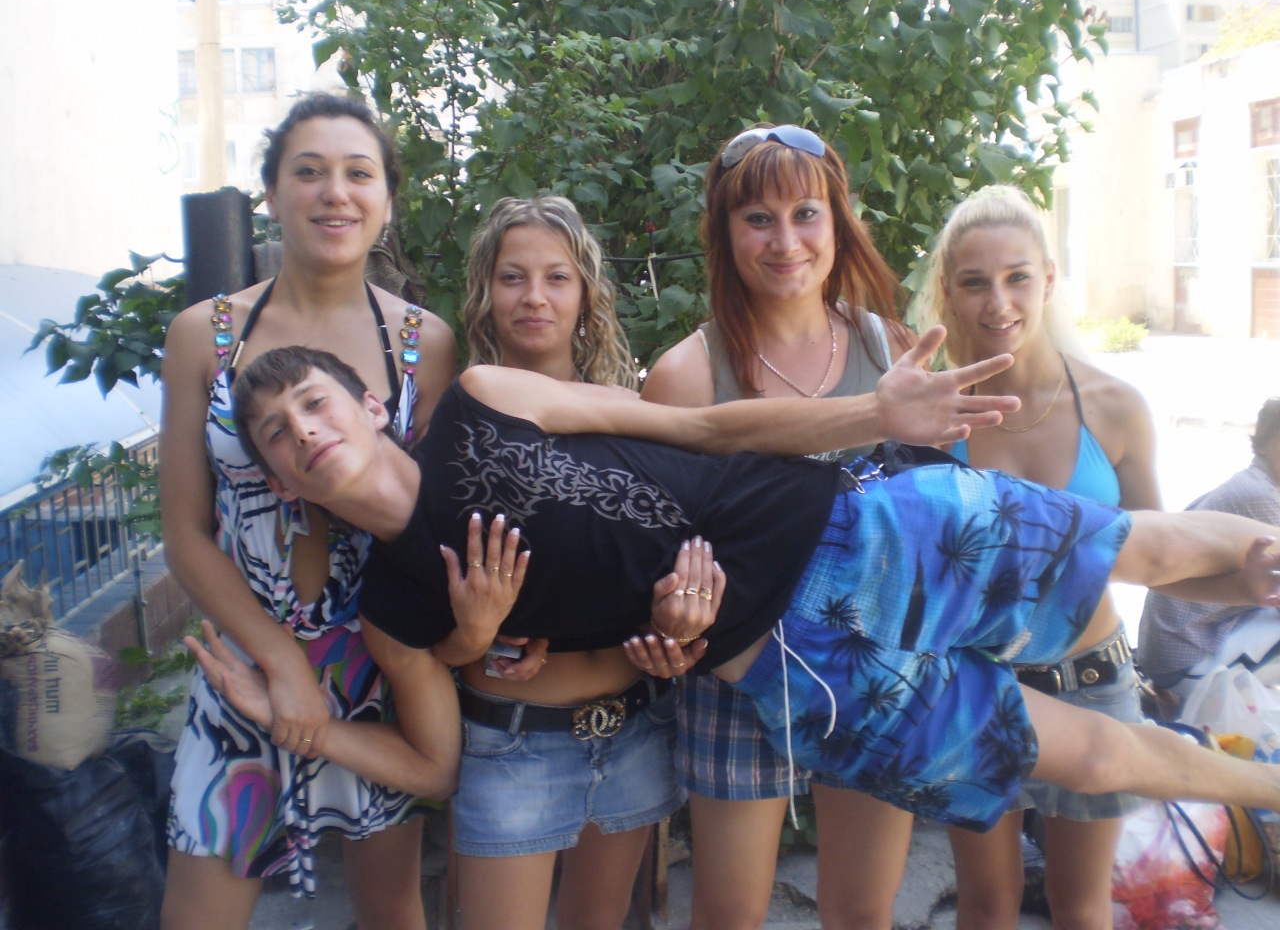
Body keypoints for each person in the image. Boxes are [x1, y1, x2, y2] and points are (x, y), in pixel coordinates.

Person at [210, 343, 1280, 844]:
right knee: (1088, 758)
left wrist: (874, 415)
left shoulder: (483, 401)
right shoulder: (398, 612)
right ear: (279, 479)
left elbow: (699, 428)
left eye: (314, 403)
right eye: (277, 435)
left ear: (368, 402)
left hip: (854, 527)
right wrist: (308, 719)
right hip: (792, 671)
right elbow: (433, 766)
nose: (304, 431)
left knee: (1132, 547)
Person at [158, 92, 457, 930]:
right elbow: (184, 531)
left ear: (387, 198)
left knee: (390, 907)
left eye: (359, 173)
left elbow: (434, 516)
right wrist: (280, 666)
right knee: (198, 913)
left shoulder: (422, 343)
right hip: (247, 667)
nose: (335, 192)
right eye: (309, 172)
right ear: (272, 192)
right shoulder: (205, 335)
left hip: (381, 667)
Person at [640, 123, 917, 930]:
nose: (785, 241)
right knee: (728, 915)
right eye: (757, 218)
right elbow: (652, 549)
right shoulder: (686, 374)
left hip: (875, 667)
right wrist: (667, 615)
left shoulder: (893, 351)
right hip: (737, 675)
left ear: (838, 221)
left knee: (863, 912)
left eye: (805, 213)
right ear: (725, 232)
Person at [922, 185, 1159, 930]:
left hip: (1094, 683)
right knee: (986, 905)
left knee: (1080, 908)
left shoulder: (1115, 407)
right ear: (949, 292)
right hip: (976, 686)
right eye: (975, 282)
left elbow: (1159, 551)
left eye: (1017, 277)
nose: (999, 302)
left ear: (1048, 279)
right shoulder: (931, 419)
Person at [446, 195, 681, 930]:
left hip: (633, 730)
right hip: (510, 738)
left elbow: (655, 563)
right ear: (485, 293)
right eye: (513, 277)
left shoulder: (627, 410)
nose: (535, 297)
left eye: (557, 277)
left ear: (585, 294)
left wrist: (677, 627)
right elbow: (420, 597)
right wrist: (480, 634)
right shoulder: (462, 420)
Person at [1140, 398, 1280, 708]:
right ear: (1265, 442)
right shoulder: (1260, 496)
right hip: (1187, 657)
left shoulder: (1254, 482)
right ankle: (1208, 704)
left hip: (1175, 646)